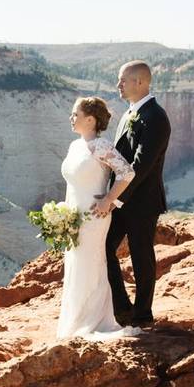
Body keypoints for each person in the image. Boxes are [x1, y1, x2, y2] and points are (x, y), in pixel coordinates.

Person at [57, 96, 140, 340]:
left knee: (90, 264)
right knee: (75, 264)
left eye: (75, 114)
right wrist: (63, 212)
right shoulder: (75, 146)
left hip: (94, 216)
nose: (71, 118)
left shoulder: (100, 146)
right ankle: (75, 320)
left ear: (90, 119)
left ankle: (93, 319)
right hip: (74, 214)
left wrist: (110, 200)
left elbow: (127, 172)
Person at [105, 60, 171, 326]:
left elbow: (140, 167)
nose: (118, 85)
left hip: (142, 201)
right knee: (104, 248)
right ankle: (122, 307)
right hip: (122, 199)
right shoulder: (128, 113)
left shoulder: (156, 117)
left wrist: (113, 198)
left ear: (140, 82)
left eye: (123, 80)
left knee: (141, 254)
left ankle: (143, 314)